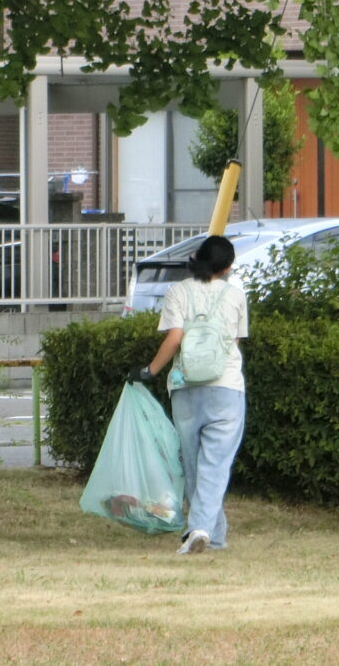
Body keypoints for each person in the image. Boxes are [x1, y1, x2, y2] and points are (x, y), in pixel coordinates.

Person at [129, 235, 249, 555]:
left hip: (185, 387)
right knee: (215, 465)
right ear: (227, 266)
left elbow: (175, 338)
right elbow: (234, 343)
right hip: (226, 387)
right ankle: (202, 528)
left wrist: (150, 371)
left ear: (198, 258)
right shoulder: (235, 295)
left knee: (195, 465)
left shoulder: (178, 292)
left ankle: (213, 535)